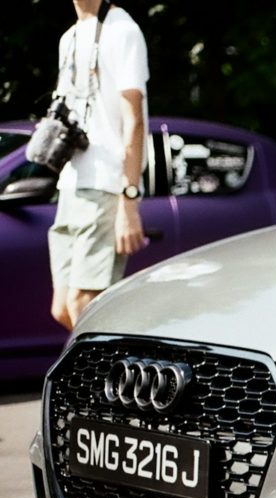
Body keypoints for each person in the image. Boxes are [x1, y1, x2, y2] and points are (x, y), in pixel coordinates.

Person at [48, 0, 149, 331]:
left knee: (84, 304)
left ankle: (108, 381)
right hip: (72, 181)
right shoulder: (69, 37)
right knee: (63, 308)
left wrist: (128, 199)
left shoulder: (123, 30)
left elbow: (134, 120)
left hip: (107, 182)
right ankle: (113, 375)